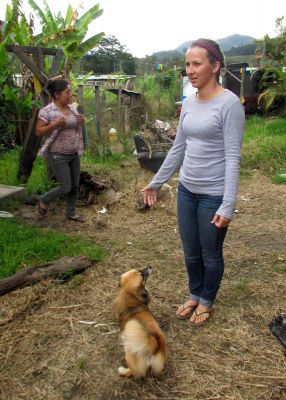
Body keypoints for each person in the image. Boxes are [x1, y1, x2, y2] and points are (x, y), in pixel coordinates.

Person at [141, 38, 245, 326]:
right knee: (190, 253)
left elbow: (233, 157)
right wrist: (157, 182)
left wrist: (228, 205)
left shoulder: (229, 104)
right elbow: (178, 148)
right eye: (187, 64)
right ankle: (194, 293)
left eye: (196, 63)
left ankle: (207, 300)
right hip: (187, 191)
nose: (190, 69)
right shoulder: (189, 102)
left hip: (213, 194)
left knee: (210, 254)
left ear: (215, 66)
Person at [35, 78, 86, 222]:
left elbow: (74, 126)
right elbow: (38, 132)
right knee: (65, 187)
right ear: (57, 94)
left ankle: (71, 213)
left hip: (73, 153)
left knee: (75, 186)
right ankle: (44, 199)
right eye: (67, 92)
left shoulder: (71, 108)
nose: (70, 94)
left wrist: (80, 121)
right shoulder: (47, 111)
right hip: (58, 155)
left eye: (70, 91)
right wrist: (55, 124)